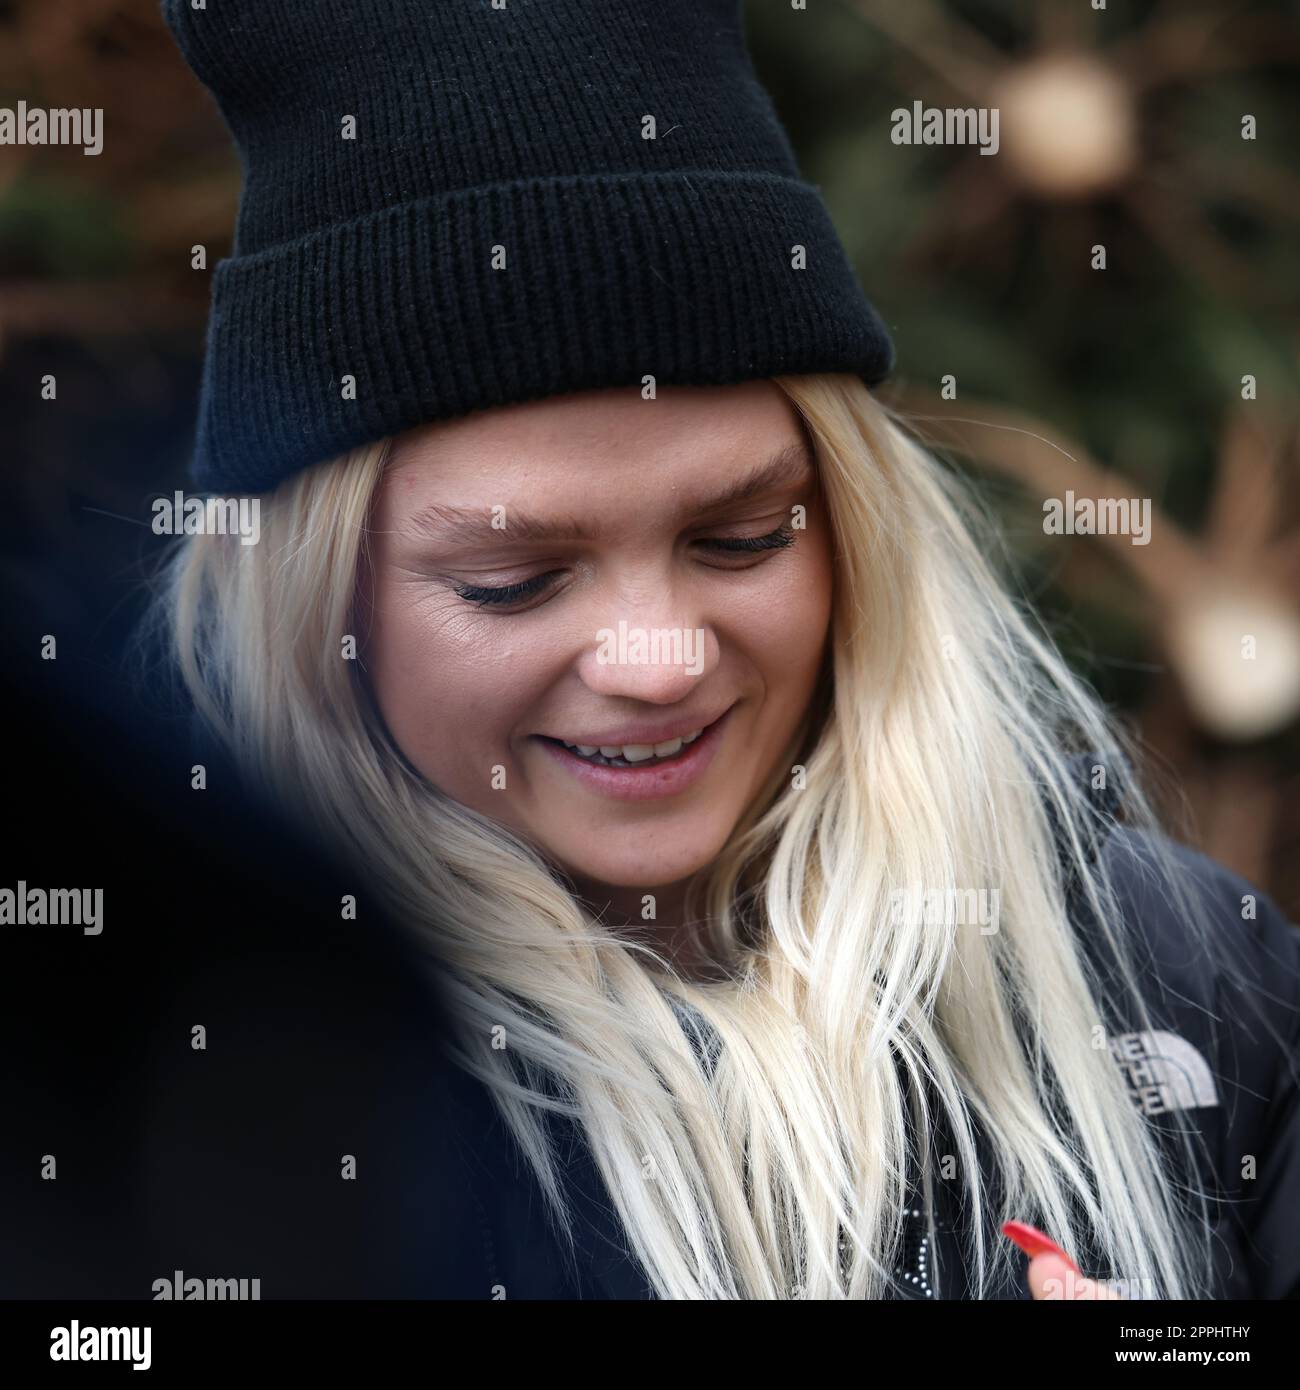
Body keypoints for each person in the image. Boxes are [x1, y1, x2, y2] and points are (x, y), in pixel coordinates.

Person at [149, 0, 1300, 1299]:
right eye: (515, 581)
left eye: (743, 537)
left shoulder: (1193, 979)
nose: (654, 660)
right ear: (318, 611)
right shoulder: (179, 1109)